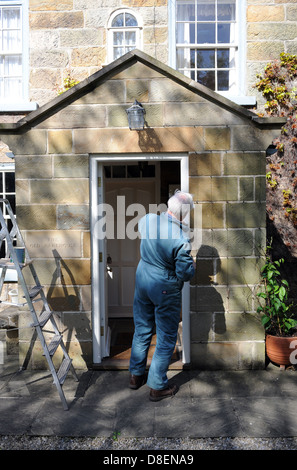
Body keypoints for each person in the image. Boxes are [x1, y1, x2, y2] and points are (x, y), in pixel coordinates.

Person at [129, 190, 196, 401]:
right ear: (184, 214)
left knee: (142, 329)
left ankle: (135, 376)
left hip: (142, 281)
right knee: (166, 338)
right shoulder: (180, 239)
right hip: (164, 287)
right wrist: (193, 264)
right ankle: (157, 386)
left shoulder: (147, 220)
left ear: (168, 205)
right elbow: (185, 274)